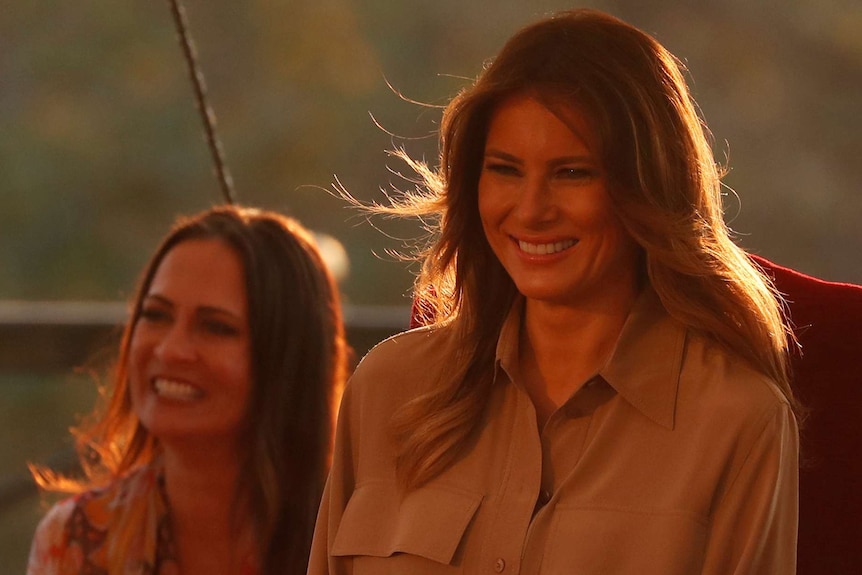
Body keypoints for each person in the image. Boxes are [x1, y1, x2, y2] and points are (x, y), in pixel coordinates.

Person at [309, 9, 799, 574]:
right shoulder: (388, 389)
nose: (532, 210)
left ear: (648, 187)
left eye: (572, 173)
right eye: (505, 170)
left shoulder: (736, 419)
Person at [27, 205, 349, 574]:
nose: (170, 349)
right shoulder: (76, 540)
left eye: (216, 327)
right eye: (156, 315)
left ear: (289, 359)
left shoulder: (359, 538)